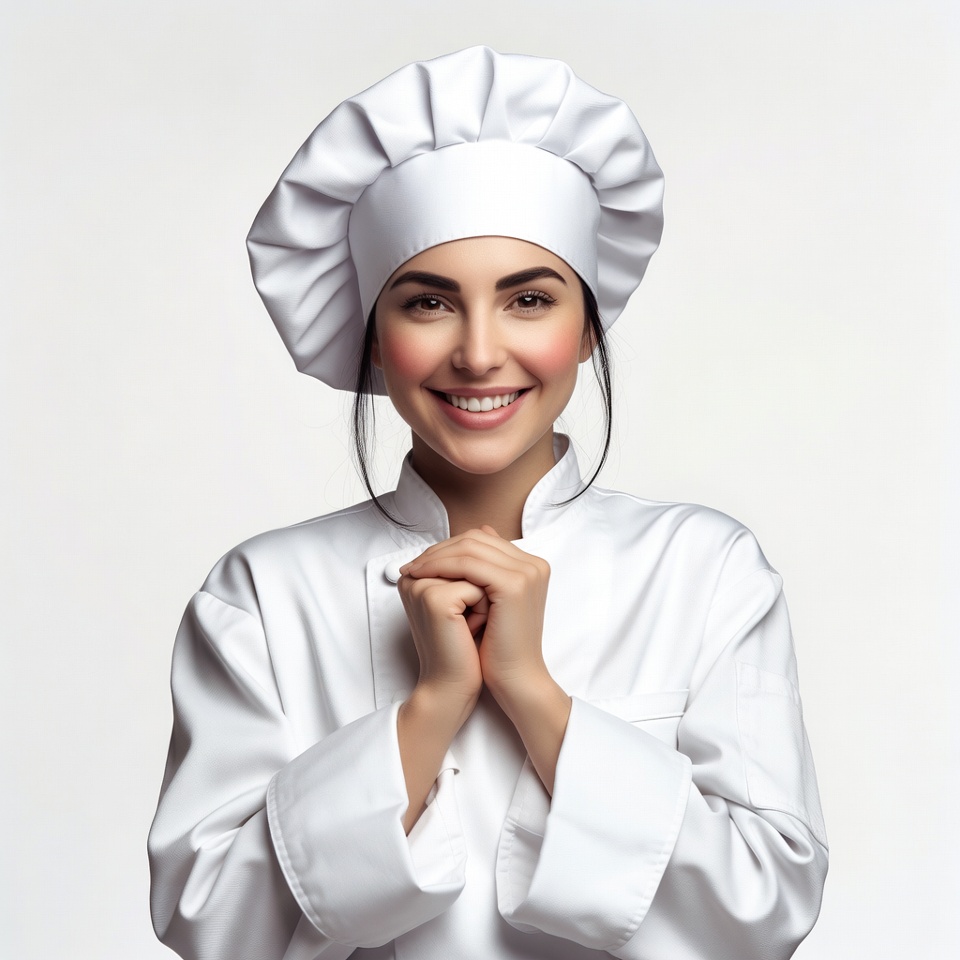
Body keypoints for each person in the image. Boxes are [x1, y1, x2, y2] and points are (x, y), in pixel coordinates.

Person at [148, 46, 827, 960]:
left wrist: (533, 695)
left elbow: (767, 905)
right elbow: (208, 919)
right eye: (428, 304)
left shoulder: (705, 571)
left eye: (529, 300)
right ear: (374, 338)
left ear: (585, 329)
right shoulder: (262, 595)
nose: (477, 354)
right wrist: (431, 707)